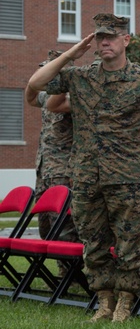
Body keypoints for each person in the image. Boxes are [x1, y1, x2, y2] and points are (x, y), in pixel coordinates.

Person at [25, 13, 140, 322]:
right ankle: (104, 300)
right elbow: (35, 85)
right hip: (87, 176)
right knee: (92, 241)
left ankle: (125, 302)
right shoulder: (80, 77)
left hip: (128, 176)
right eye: (99, 37)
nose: (104, 42)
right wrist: (70, 54)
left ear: (126, 40)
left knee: (130, 240)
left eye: (111, 36)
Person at [26, 51, 79, 250]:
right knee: (46, 227)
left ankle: (71, 276)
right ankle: (60, 273)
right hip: (44, 169)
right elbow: (30, 94)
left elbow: (58, 106)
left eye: (50, 70)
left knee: (65, 228)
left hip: (64, 172)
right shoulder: (46, 96)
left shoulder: (73, 98)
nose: (45, 74)